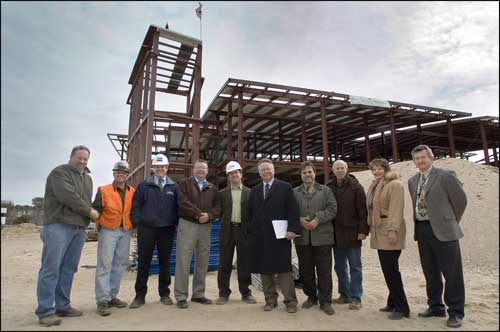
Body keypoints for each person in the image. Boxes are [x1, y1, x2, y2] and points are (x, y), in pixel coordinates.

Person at [36, 145, 99, 327]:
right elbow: (68, 196)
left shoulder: (87, 178)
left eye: (85, 159)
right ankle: (45, 311)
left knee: (69, 268)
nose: (82, 161)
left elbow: (87, 200)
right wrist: (90, 212)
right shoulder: (59, 173)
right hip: (58, 225)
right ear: (71, 157)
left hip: (79, 228)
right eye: (79, 158)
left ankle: (62, 305)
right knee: (51, 268)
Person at [408, 145, 467, 328]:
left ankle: (456, 312)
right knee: (430, 271)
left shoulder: (446, 175)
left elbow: (460, 201)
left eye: (424, 157)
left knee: (452, 273)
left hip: (444, 230)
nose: (420, 161)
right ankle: (435, 306)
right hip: (423, 229)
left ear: (432, 158)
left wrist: (450, 220)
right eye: (417, 158)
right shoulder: (412, 181)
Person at [247, 158, 300, 314]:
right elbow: (250, 214)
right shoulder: (255, 190)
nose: (266, 171)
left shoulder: (285, 187)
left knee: (284, 269)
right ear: (259, 172)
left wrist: (292, 230)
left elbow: (293, 210)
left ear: (274, 170)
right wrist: (252, 231)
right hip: (261, 237)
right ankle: (270, 300)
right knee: (265, 270)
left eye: (268, 169)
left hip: (281, 235)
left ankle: (290, 301)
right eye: (263, 169)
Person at [129, 154, 179, 308]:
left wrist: (175, 224)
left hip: (166, 230)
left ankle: (164, 294)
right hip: (147, 229)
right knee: (144, 262)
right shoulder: (143, 186)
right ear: (153, 168)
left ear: (167, 168)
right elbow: (135, 207)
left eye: (163, 166)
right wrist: (138, 224)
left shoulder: (174, 186)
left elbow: (178, 208)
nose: (160, 169)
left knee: (165, 263)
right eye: (157, 167)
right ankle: (139, 295)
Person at [366, 158, 410, 320]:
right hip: (379, 229)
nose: (376, 171)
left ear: (386, 168)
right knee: (387, 269)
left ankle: (402, 308)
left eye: (379, 168)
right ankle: (392, 302)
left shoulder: (394, 185)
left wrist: (393, 230)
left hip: (390, 230)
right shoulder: (377, 184)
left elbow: (396, 209)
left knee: (391, 270)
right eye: (374, 169)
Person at [293, 161, 337, 315]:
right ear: (301, 175)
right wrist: (299, 220)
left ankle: (325, 301)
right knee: (306, 271)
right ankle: (311, 297)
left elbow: (332, 209)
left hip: (323, 238)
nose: (307, 175)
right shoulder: (295, 192)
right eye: (304, 172)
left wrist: (317, 219)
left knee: (324, 271)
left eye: (310, 172)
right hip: (302, 238)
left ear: (314, 173)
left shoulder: (325, 191)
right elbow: (289, 210)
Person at [175, 159, 220, 309]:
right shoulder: (184, 184)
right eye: (198, 168)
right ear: (193, 170)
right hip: (188, 224)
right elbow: (182, 202)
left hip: (205, 226)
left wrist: (210, 215)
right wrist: (199, 214)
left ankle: (198, 294)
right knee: (183, 260)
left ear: (207, 171)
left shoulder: (212, 188)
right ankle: (181, 296)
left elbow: (218, 206)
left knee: (203, 260)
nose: (201, 170)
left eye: (204, 168)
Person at [92, 160, 135, 316]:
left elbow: (134, 211)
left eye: (123, 172)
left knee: (120, 264)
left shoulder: (132, 191)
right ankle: (102, 300)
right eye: (118, 172)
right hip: (109, 230)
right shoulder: (103, 190)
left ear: (127, 175)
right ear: (113, 173)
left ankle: (112, 296)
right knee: (105, 264)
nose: (120, 175)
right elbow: (95, 209)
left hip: (125, 231)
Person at [327, 160, 369, 310]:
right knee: (339, 267)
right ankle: (344, 294)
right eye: (337, 168)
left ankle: (356, 297)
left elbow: (363, 211)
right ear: (333, 170)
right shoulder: (329, 187)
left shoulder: (356, 187)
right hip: (337, 235)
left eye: (342, 168)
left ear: (346, 169)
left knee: (355, 266)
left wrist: (363, 230)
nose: (339, 170)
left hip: (353, 233)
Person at [215, 161, 256, 305]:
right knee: (224, 263)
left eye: (237, 172)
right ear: (228, 176)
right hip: (227, 230)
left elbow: (253, 214)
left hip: (243, 231)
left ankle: (246, 293)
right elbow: (219, 213)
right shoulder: (221, 194)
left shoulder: (250, 193)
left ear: (241, 174)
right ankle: (223, 293)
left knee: (244, 263)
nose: (234, 175)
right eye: (231, 173)